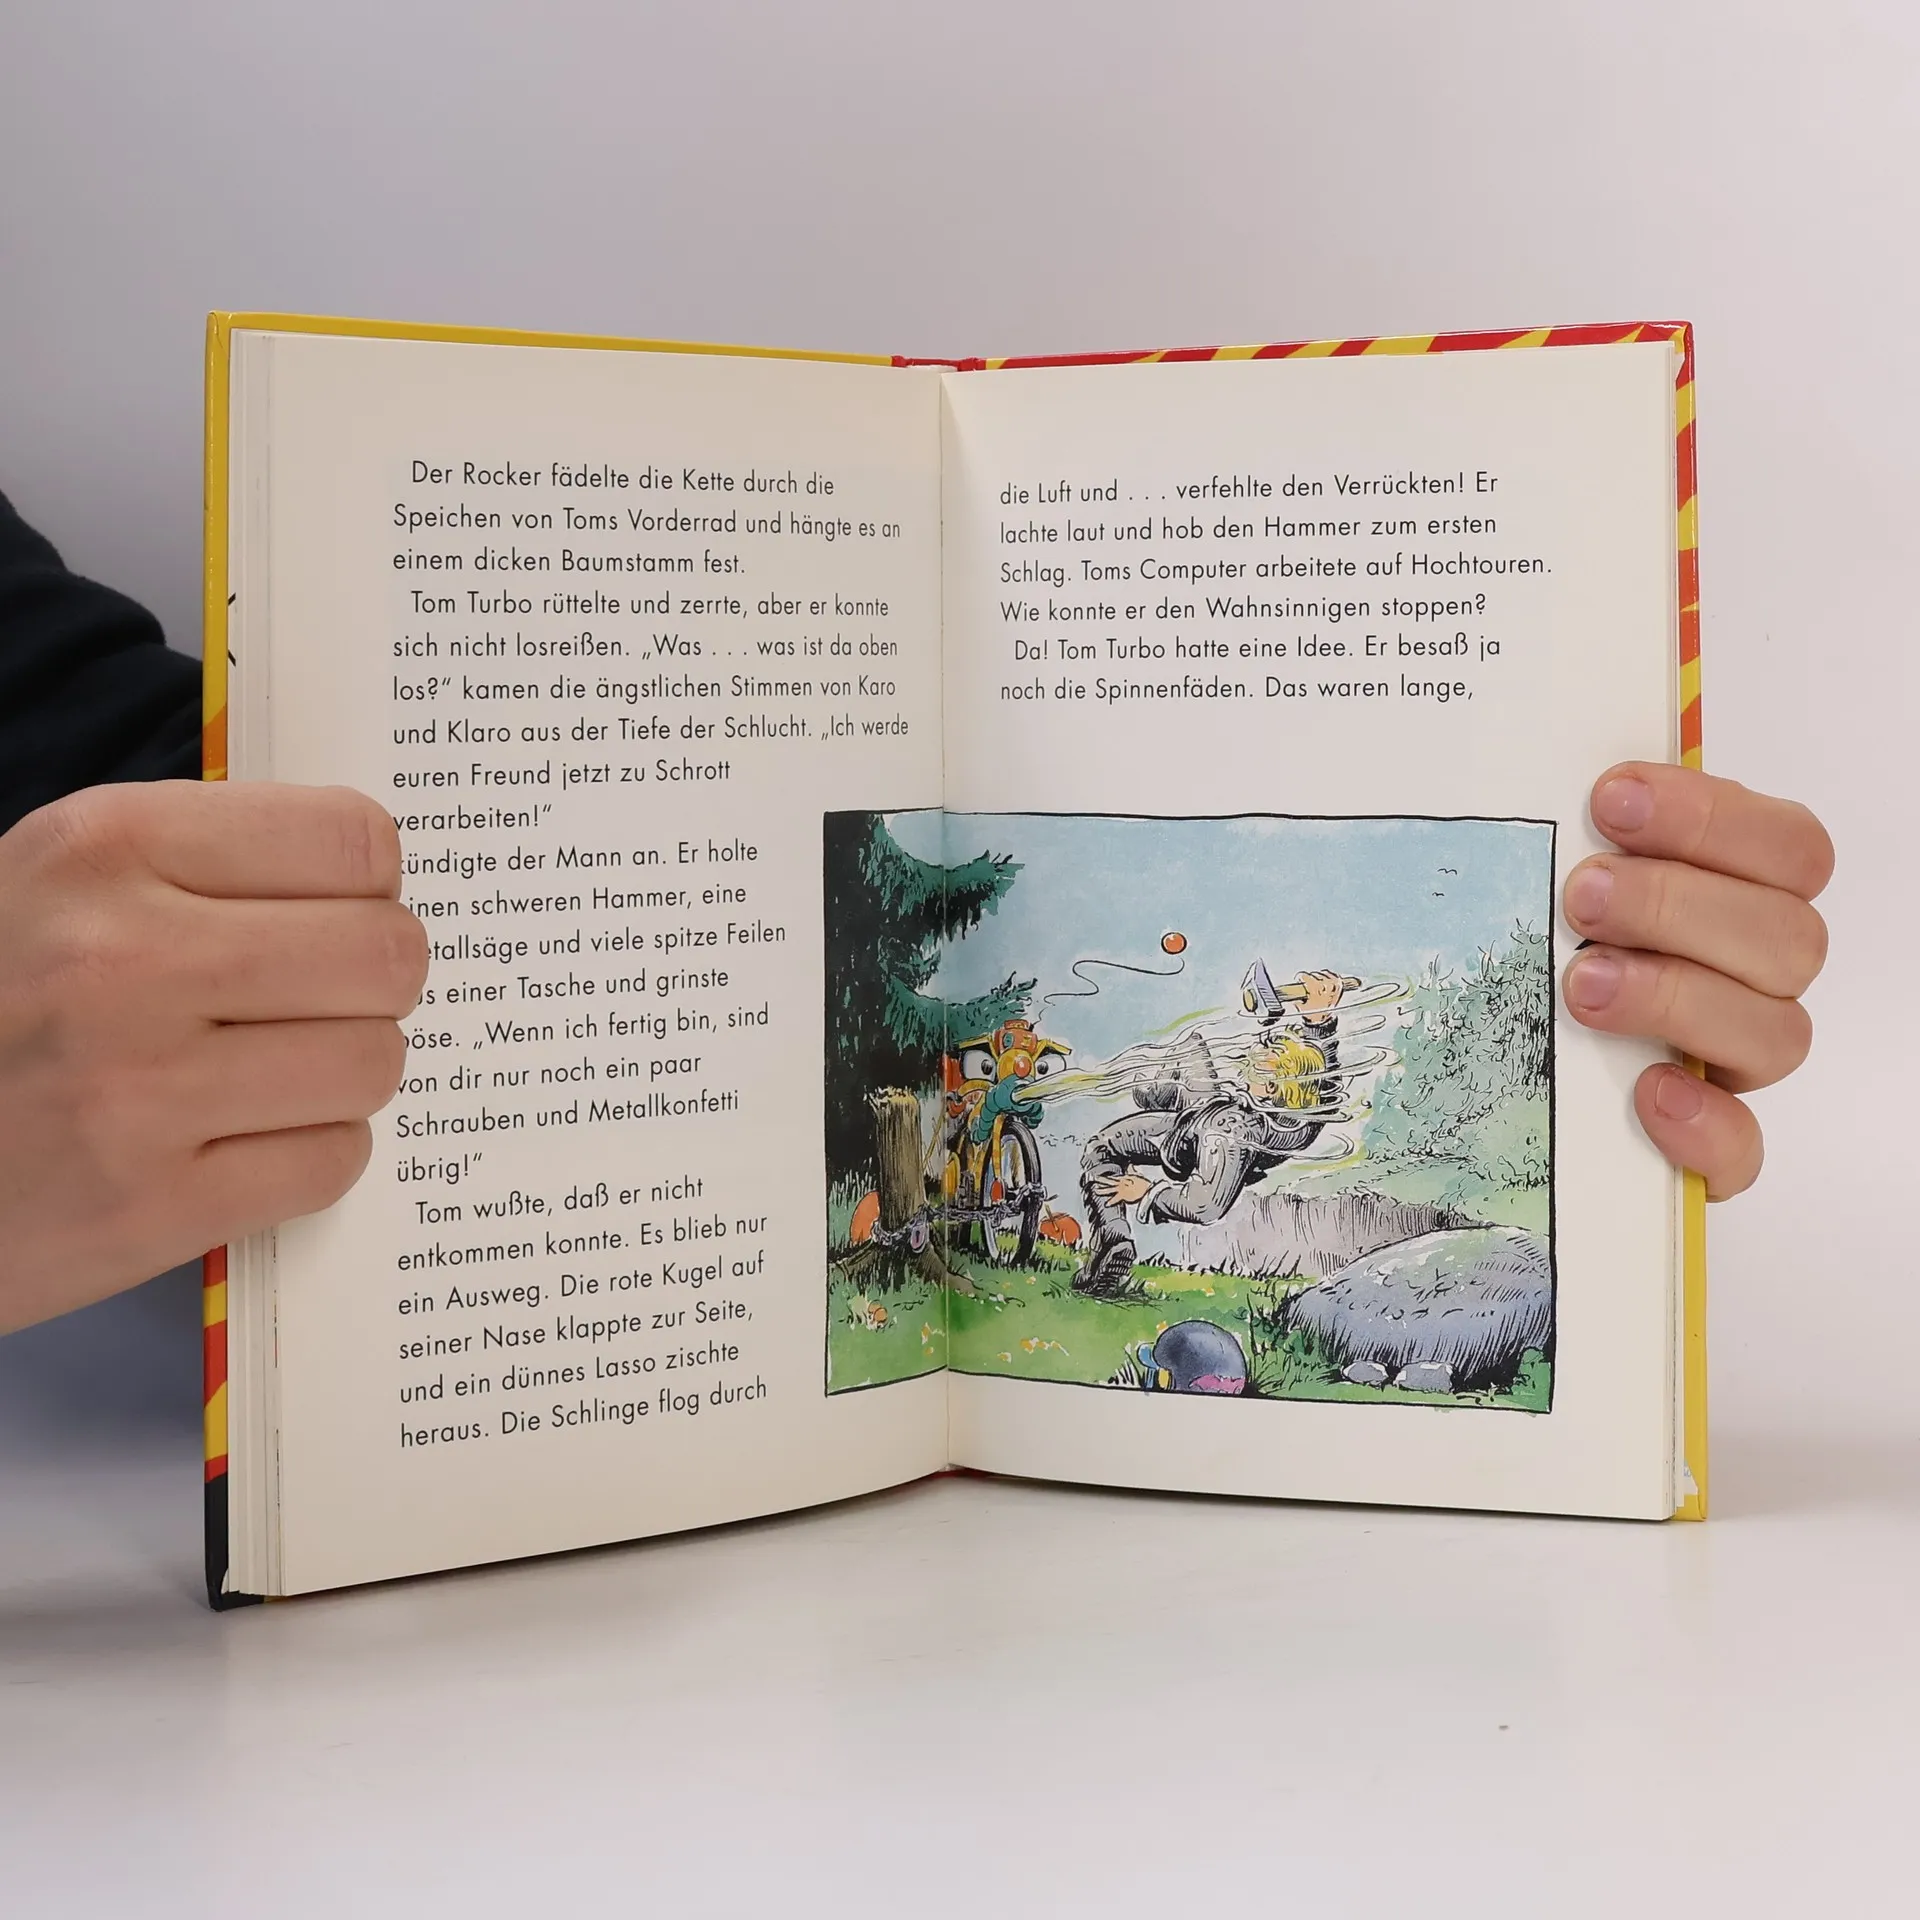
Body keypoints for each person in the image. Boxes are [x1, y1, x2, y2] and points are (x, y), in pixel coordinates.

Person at [0, 487, 1833, 1335]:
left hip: (1208, 1159)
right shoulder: (1165, 1071)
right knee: (1093, 1166)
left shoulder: (1273, 1065)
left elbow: (133, 816)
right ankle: (1092, 1257)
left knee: (1135, 1168)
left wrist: (1581, 933)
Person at [1078, 970, 1348, 1296]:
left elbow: (1205, 1205)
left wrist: (1148, 1192)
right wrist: (1319, 1021)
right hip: (1208, 1106)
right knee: (1191, 1045)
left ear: (1272, 1086)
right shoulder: (1303, 1116)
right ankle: (1156, 1093)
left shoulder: (1231, 1134)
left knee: (1102, 1148)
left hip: (1188, 1138)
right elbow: (1323, 1086)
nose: (1254, 1055)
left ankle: (1113, 1241)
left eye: (1263, 1061)